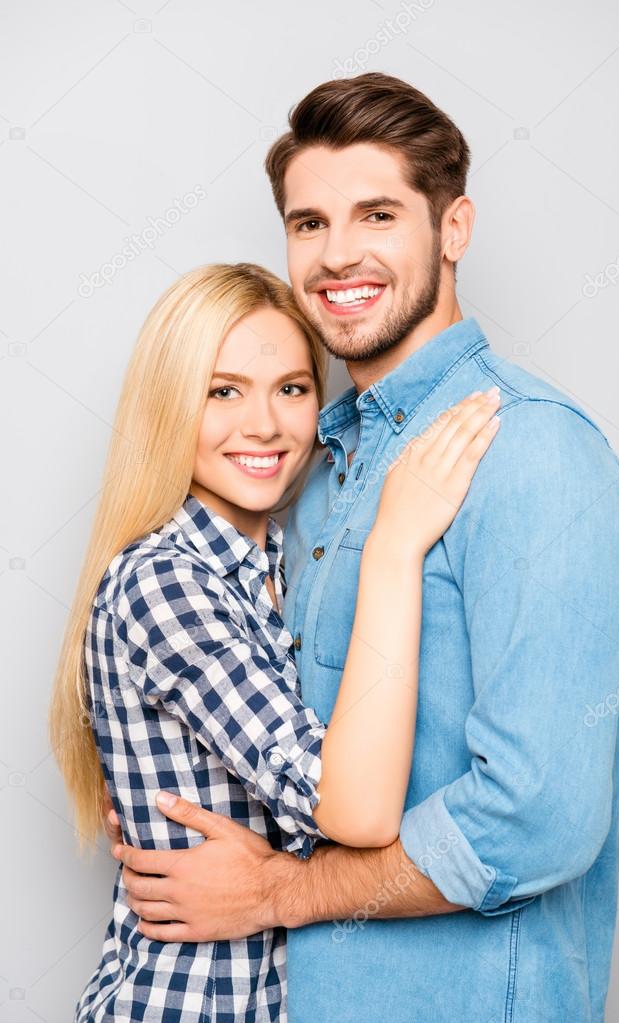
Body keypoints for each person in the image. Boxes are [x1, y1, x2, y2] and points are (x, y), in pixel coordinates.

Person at [105, 74, 619, 1022]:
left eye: (377, 214)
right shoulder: (306, 473)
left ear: (453, 228)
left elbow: (534, 820)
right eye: (308, 222)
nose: (338, 254)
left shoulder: (532, 453)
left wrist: (279, 891)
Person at [50, 260, 500, 1020]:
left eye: (291, 388)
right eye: (222, 391)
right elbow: (352, 812)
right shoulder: (164, 582)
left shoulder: (288, 562)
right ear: (168, 407)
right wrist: (396, 544)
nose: (263, 425)